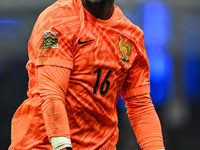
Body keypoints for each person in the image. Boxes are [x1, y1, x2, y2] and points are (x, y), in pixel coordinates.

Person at [9, 0, 165, 149]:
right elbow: (52, 93)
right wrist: (61, 145)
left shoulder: (131, 37)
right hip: (43, 145)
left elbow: (140, 105)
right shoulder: (57, 20)